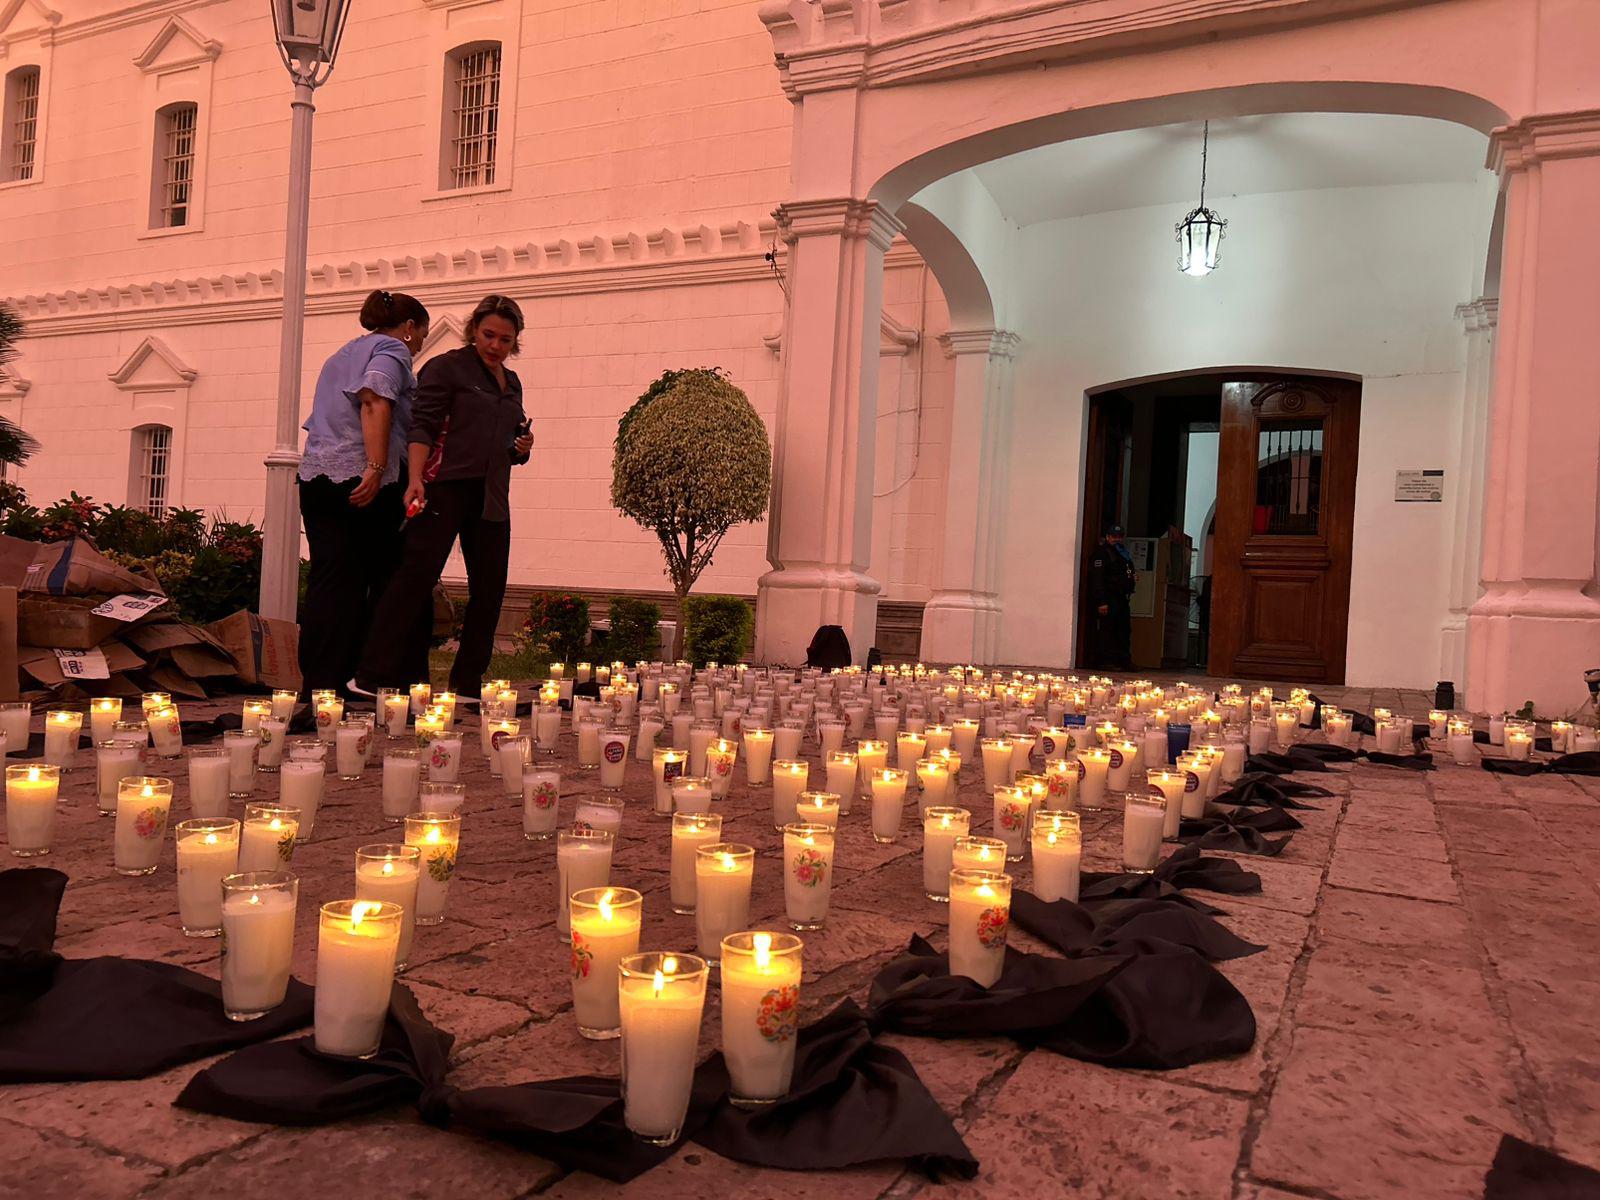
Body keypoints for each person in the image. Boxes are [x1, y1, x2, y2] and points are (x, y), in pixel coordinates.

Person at [354, 294, 534, 697]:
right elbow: (423, 427)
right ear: (474, 330)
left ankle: (467, 682)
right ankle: (370, 674)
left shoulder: (512, 382)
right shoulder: (447, 367)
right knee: (414, 579)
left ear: (515, 342)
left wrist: (521, 447)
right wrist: (415, 478)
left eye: (505, 340)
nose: (495, 346)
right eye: (489, 335)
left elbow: (504, 441)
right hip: (443, 487)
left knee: (490, 589)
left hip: (491, 496)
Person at [296, 289, 429, 696]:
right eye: (421, 333)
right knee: (382, 579)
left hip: (317, 477)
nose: (420, 343)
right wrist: (374, 467)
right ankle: (375, 678)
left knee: (329, 580)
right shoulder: (391, 349)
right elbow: (374, 399)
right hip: (360, 478)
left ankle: (321, 683)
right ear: (409, 327)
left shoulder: (341, 354)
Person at [1087, 524, 1137, 669]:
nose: (1117, 539)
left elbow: (1125, 572)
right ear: (1108, 537)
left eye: (1119, 536)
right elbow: (1097, 578)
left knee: (1124, 630)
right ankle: (1105, 661)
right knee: (1107, 630)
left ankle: (1123, 661)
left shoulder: (1123, 554)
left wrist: (1132, 579)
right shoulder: (1102, 554)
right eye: (1114, 536)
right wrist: (1101, 601)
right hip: (1109, 598)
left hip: (1122, 598)